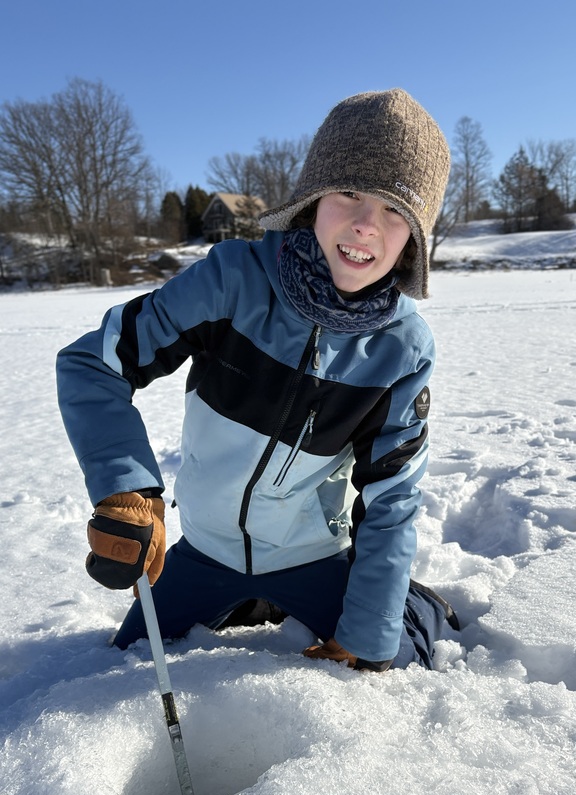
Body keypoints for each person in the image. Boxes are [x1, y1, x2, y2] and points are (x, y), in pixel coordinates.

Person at [56, 88, 458, 672]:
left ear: (415, 239)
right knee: (125, 664)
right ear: (312, 200)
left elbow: (391, 497)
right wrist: (128, 490)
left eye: (396, 208)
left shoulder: (402, 350)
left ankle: (412, 604)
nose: (367, 224)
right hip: (206, 552)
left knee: (385, 656)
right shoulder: (231, 282)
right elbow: (93, 363)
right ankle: (248, 598)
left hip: (312, 556)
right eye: (349, 192)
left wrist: (369, 629)